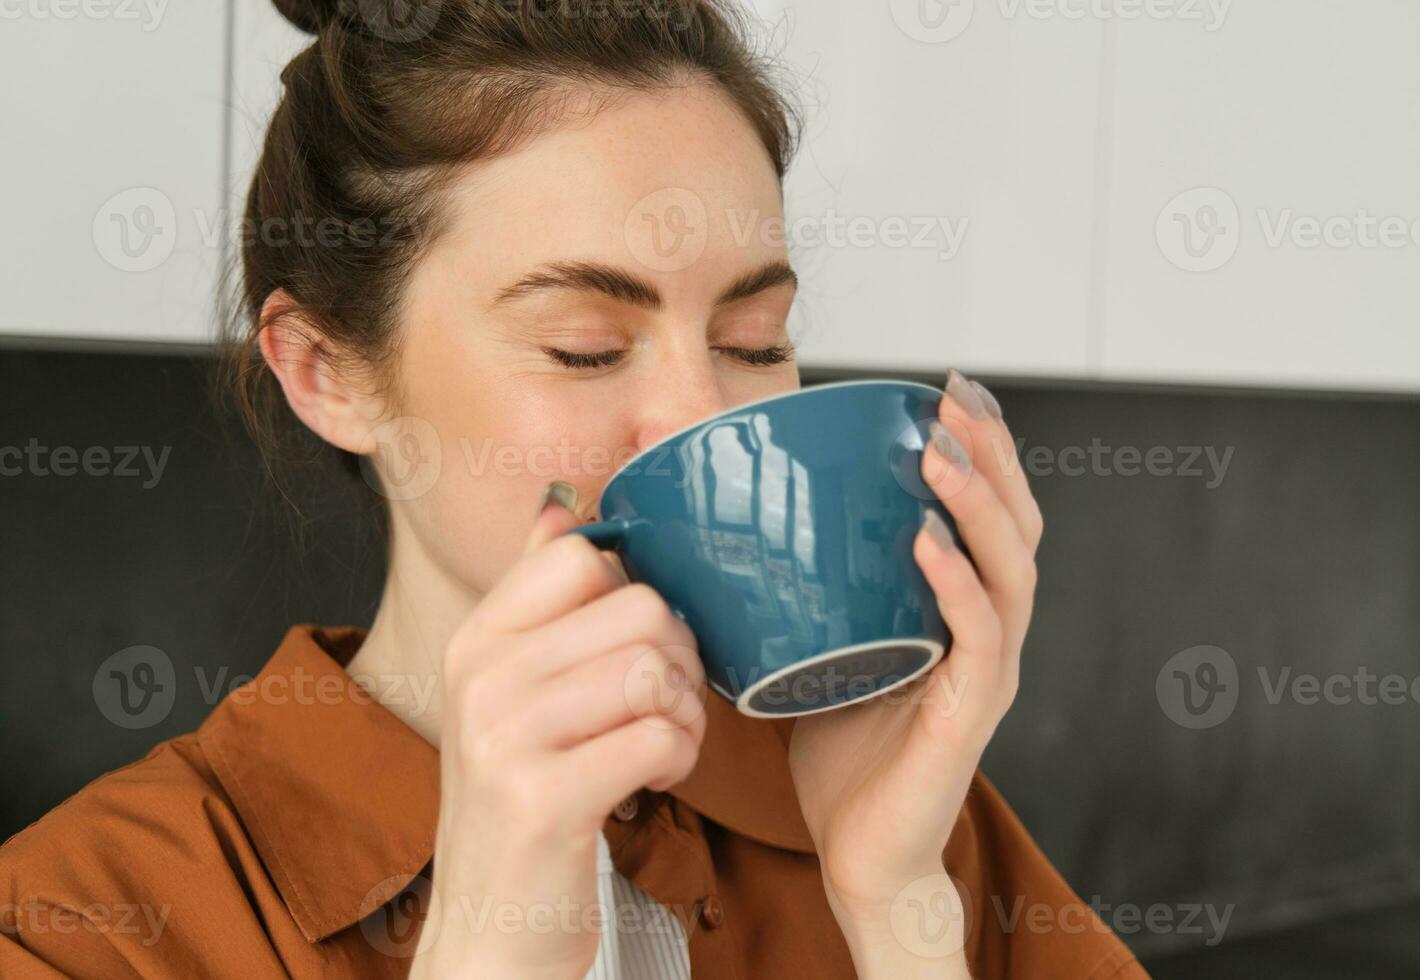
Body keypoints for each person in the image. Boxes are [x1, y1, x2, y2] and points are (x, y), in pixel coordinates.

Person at [0, 1, 1148, 976]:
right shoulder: (80, 923)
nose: (709, 417)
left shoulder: (908, 813)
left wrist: (899, 906)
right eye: (587, 347)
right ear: (326, 371)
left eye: (754, 337)